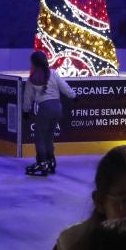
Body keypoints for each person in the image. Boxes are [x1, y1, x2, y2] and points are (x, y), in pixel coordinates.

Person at [21, 48, 76, 177]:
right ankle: (51, 160)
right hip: (57, 107)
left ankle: (42, 162)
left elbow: (27, 98)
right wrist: (73, 96)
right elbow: (65, 87)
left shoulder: (32, 79)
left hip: (45, 108)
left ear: (33, 63)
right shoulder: (53, 73)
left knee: (40, 137)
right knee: (49, 136)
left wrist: (25, 111)